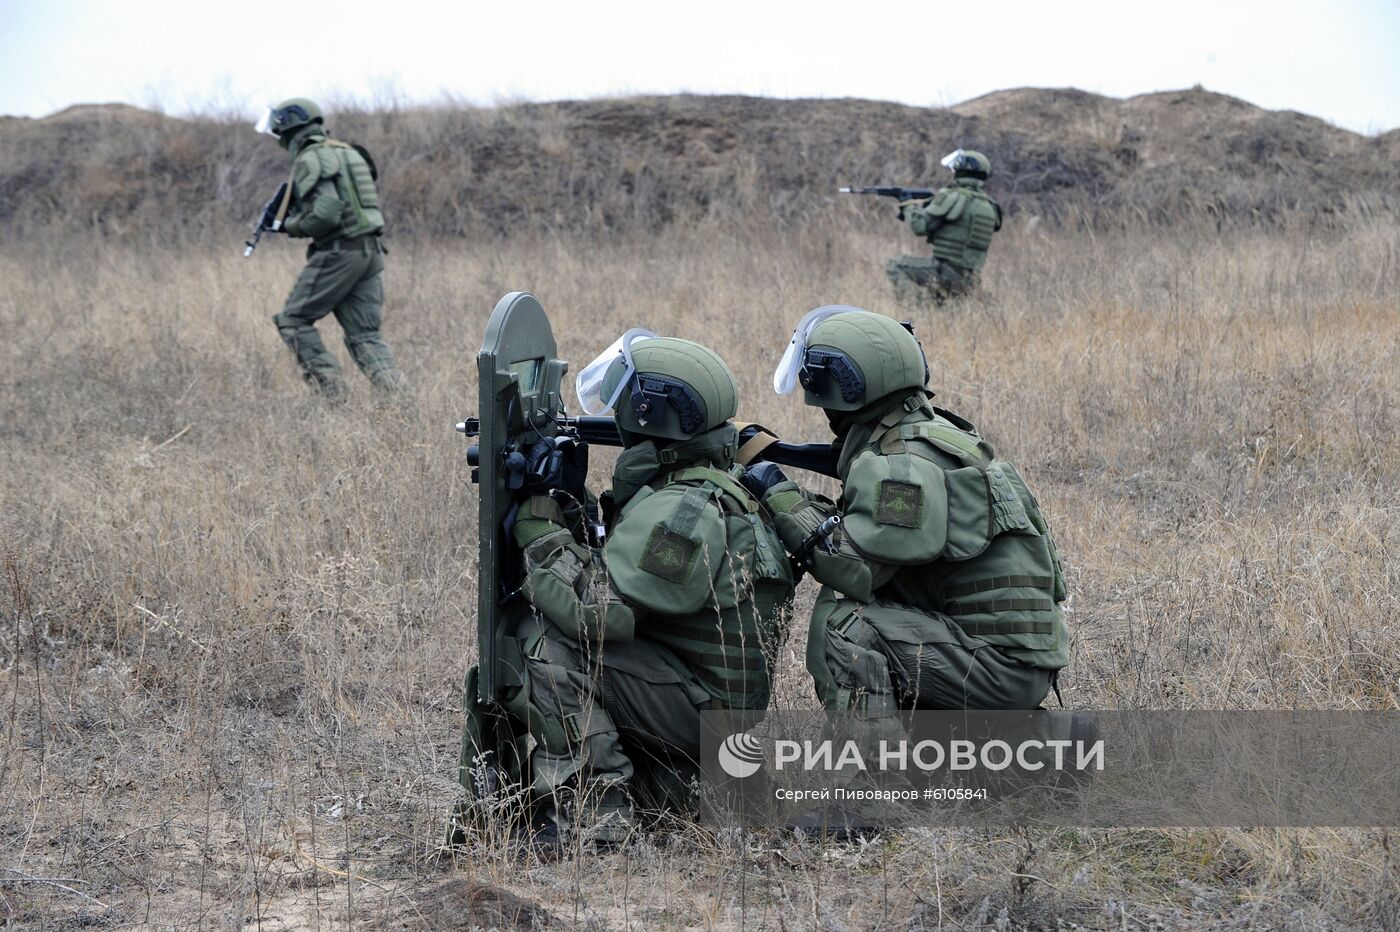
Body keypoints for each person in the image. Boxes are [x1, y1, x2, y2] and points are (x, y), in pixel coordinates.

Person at [504, 332, 795, 844]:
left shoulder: (684, 511)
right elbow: (629, 578)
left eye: (625, 396)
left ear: (651, 411)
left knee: (538, 641)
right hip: (705, 709)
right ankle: (682, 790)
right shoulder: (703, 481)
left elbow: (599, 613)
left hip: (701, 714)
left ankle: (599, 816)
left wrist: (540, 532)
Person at [758, 306, 1069, 719]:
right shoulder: (933, 435)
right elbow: (850, 462)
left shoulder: (901, 468)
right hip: (1013, 658)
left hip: (998, 670)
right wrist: (773, 451)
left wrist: (780, 495)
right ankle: (1018, 748)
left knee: (847, 625)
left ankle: (876, 775)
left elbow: (855, 568)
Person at [254, 98, 406, 395]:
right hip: (370, 250)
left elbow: (326, 213)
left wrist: (288, 226)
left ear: (291, 125)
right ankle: (402, 402)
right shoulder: (347, 152)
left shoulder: (312, 158)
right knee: (365, 335)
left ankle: (331, 394)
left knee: (293, 321)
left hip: (341, 252)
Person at [886, 149, 1002, 306]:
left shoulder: (953, 196)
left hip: (946, 272)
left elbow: (919, 227)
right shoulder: (988, 205)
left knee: (896, 265)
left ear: (962, 170)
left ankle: (915, 309)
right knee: (944, 308)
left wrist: (908, 206)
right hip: (970, 277)